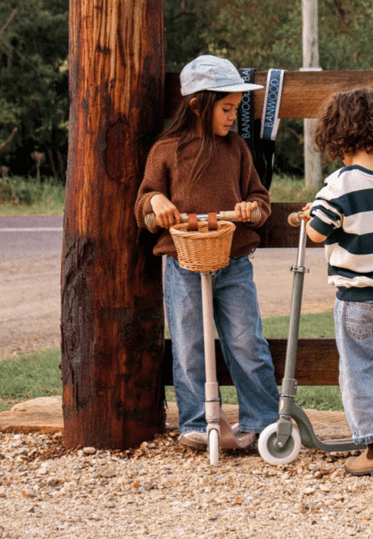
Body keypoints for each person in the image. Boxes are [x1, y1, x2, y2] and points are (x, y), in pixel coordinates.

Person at [134, 54, 279, 451]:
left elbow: (259, 198)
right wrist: (158, 203)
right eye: (227, 108)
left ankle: (263, 421)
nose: (233, 116)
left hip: (233, 263)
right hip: (183, 263)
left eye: (236, 109)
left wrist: (254, 210)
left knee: (247, 341)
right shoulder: (167, 151)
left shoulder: (237, 151)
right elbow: (143, 204)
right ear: (199, 104)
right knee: (189, 344)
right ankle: (197, 422)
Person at [298, 88, 373, 476]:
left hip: (358, 297)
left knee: (358, 370)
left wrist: (309, 215)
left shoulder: (341, 184)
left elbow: (317, 233)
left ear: (336, 134)